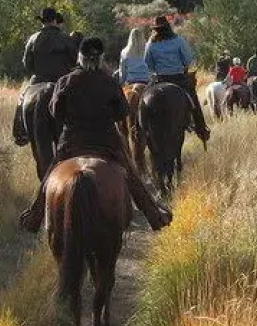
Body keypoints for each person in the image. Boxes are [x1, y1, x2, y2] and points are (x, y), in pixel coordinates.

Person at [18, 36, 172, 232]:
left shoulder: (65, 81)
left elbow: (55, 112)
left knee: (51, 173)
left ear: (80, 57)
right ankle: (154, 215)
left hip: (72, 142)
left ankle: (34, 217)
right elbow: (122, 113)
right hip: (106, 141)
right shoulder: (109, 82)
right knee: (131, 174)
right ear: (101, 59)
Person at [13, 7, 78, 145]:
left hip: (39, 79)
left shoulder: (33, 39)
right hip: (63, 81)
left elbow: (27, 64)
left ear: (42, 21)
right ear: (55, 20)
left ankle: (20, 132)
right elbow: (74, 61)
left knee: (23, 97)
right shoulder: (66, 39)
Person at [144, 15, 210, 142]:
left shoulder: (150, 44)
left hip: (159, 78)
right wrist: (182, 66)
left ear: (155, 30)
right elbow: (188, 59)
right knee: (193, 99)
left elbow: (148, 64)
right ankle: (201, 128)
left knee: (144, 97)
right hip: (178, 78)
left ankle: (137, 127)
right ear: (168, 27)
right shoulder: (178, 40)